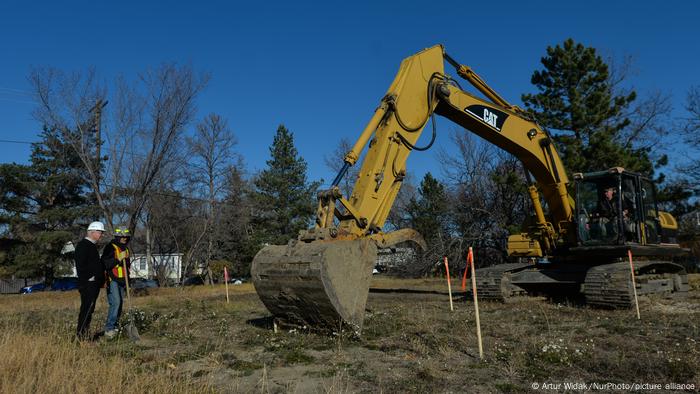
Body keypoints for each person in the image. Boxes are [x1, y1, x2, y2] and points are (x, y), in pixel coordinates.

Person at [75, 221, 106, 341]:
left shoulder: (91, 245)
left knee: (90, 309)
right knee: (86, 309)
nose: (101, 235)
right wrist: (91, 277)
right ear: (92, 232)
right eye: (100, 232)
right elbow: (80, 265)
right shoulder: (84, 245)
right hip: (88, 284)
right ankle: (81, 335)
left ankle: (85, 333)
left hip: (93, 284)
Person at [102, 225, 132, 339]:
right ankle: (109, 328)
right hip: (112, 279)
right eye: (122, 237)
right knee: (116, 303)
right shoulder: (110, 247)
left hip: (123, 280)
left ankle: (115, 327)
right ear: (117, 236)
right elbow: (106, 264)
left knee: (120, 305)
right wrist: (118, 258)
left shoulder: (126, 249)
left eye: (126, 237)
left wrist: (128, 282)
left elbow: (127, 267)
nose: (124, 239)